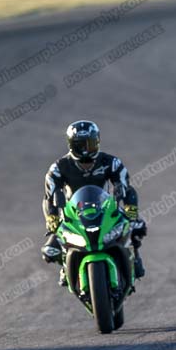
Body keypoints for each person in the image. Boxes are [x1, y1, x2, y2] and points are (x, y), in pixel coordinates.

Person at [41, 120, 147, 285]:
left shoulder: (111, 162)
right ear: (72, 145)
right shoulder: (58, 168)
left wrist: (131, 210)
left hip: (105, 211)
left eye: (91, 144)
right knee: (49, 250)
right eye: (81, 145)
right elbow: (50, 197)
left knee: (136, 227)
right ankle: (65, 264)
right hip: (73, 216)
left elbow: (126, 187)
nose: (87, 149)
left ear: (98, 142)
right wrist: (52, 218)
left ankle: (134, 259)